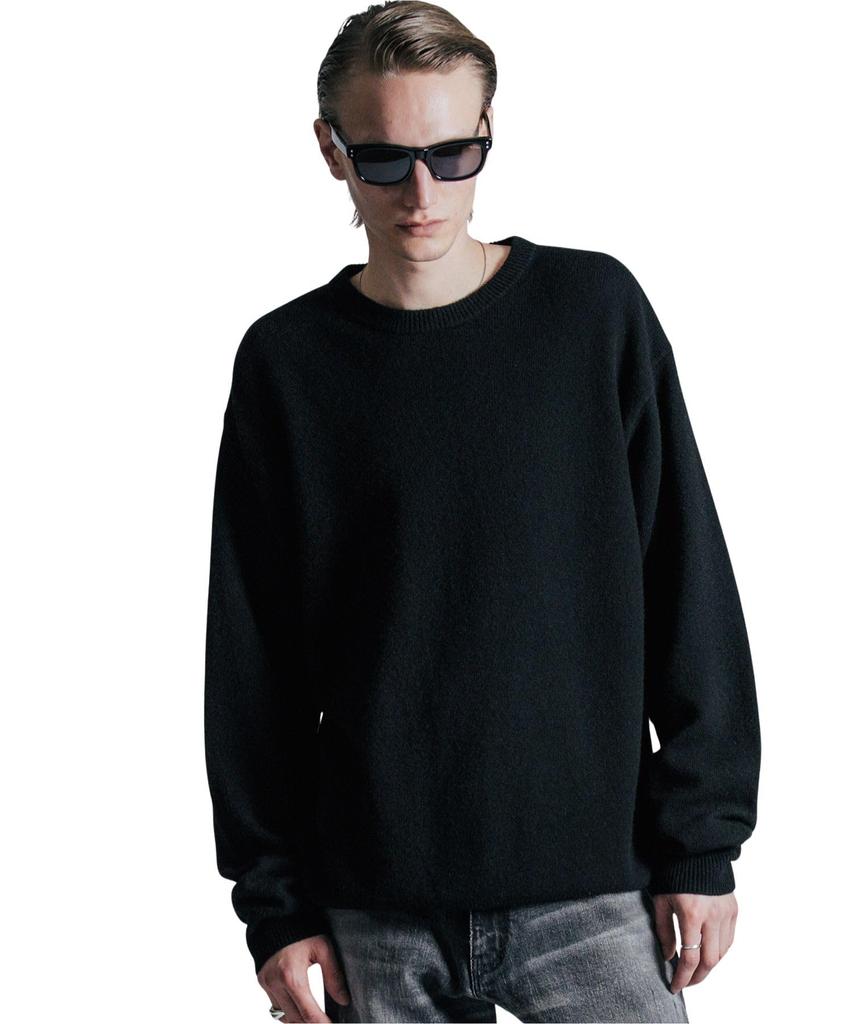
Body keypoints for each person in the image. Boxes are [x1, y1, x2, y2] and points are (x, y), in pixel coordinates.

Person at [203, 3, 761, 1022]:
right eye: (383, 160)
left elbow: (686, 580)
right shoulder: (288, 363)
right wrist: (275, 908)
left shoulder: (592, 314)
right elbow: (252, 661)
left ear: (488, 132)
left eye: (451, 154)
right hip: (372, 908)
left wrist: (702, 843)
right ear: (329, 150)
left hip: (597, 891)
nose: (421, 193)